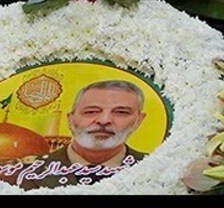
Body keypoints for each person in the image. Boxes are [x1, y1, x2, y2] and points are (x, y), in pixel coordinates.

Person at [19, 80, 149, 189]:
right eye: (91, 111)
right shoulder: (23, 172)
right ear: (70, 120)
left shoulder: (155, 169)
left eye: (121, 112)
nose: (104, 121)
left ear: (139, 121)